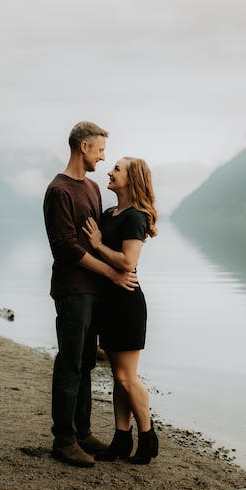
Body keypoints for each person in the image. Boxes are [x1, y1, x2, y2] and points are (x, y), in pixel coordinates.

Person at [43, 121, 140, 468]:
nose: (103, 156)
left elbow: (97, 242)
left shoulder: (93, 189)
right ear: (83, 147)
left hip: (93, 292)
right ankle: (64, 440)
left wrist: (121, 263)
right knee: (69, 364)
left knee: (85, 364)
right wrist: (113, 274)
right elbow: (66, 248)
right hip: (72, 291)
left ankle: (82, 433)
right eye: (100, 149)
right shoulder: (59, 191)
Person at [82, 156, 159, 464]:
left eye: (117, 169)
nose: (109, 172)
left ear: (133, 179)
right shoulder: (110, 213)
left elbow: (128, 262)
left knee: (127, 378)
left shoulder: (136, 217)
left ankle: (148, 437)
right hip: (108, 304)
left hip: (127, 303)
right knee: (118, 377)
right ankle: (121, 439)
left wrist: (99, 245)